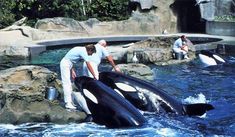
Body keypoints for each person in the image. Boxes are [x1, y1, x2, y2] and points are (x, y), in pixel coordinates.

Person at [60, 44, 97, 109]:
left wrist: (72, 70)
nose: (91, 55)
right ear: (90, 50)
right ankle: (68, 103)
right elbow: (88, 65)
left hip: (68, 64)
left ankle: (71, 102)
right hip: (65, 64)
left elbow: (71, 58)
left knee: (70, 83)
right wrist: (94, 75)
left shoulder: (80, 49)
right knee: (66, 83)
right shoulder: (84, 51)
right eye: (91, 53)